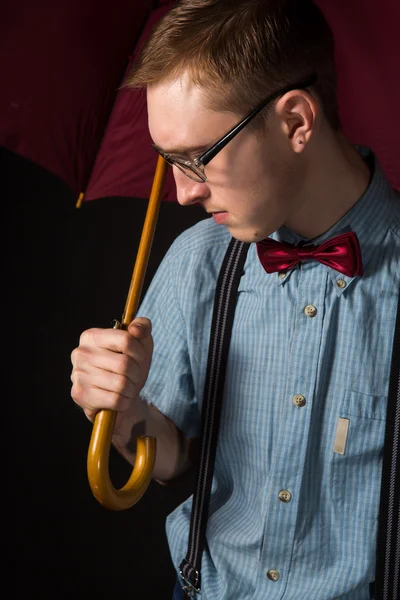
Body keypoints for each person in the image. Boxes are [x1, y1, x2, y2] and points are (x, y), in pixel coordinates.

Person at [70, 0, 400, 598]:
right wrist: (124, 411)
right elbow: (171, 457)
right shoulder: (199, 261)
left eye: (199, 157)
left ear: (297, 120)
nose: (184, 191)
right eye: (167, 160)